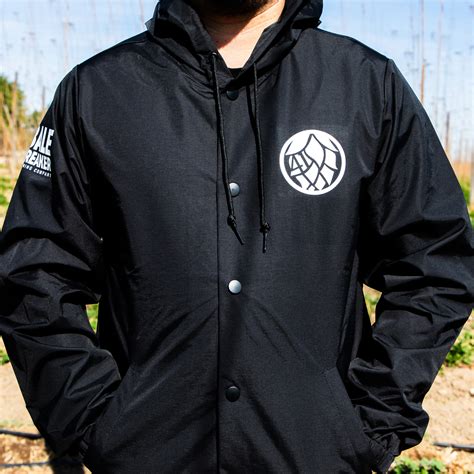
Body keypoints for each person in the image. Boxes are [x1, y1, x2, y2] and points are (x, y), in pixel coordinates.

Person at [0, 0, 472, 472]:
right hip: (148, 458)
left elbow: (436, 262)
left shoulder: (365, 85)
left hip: (316, 457)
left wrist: (370, 423)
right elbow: (33, 272)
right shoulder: (97, 91)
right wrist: (93, 423)